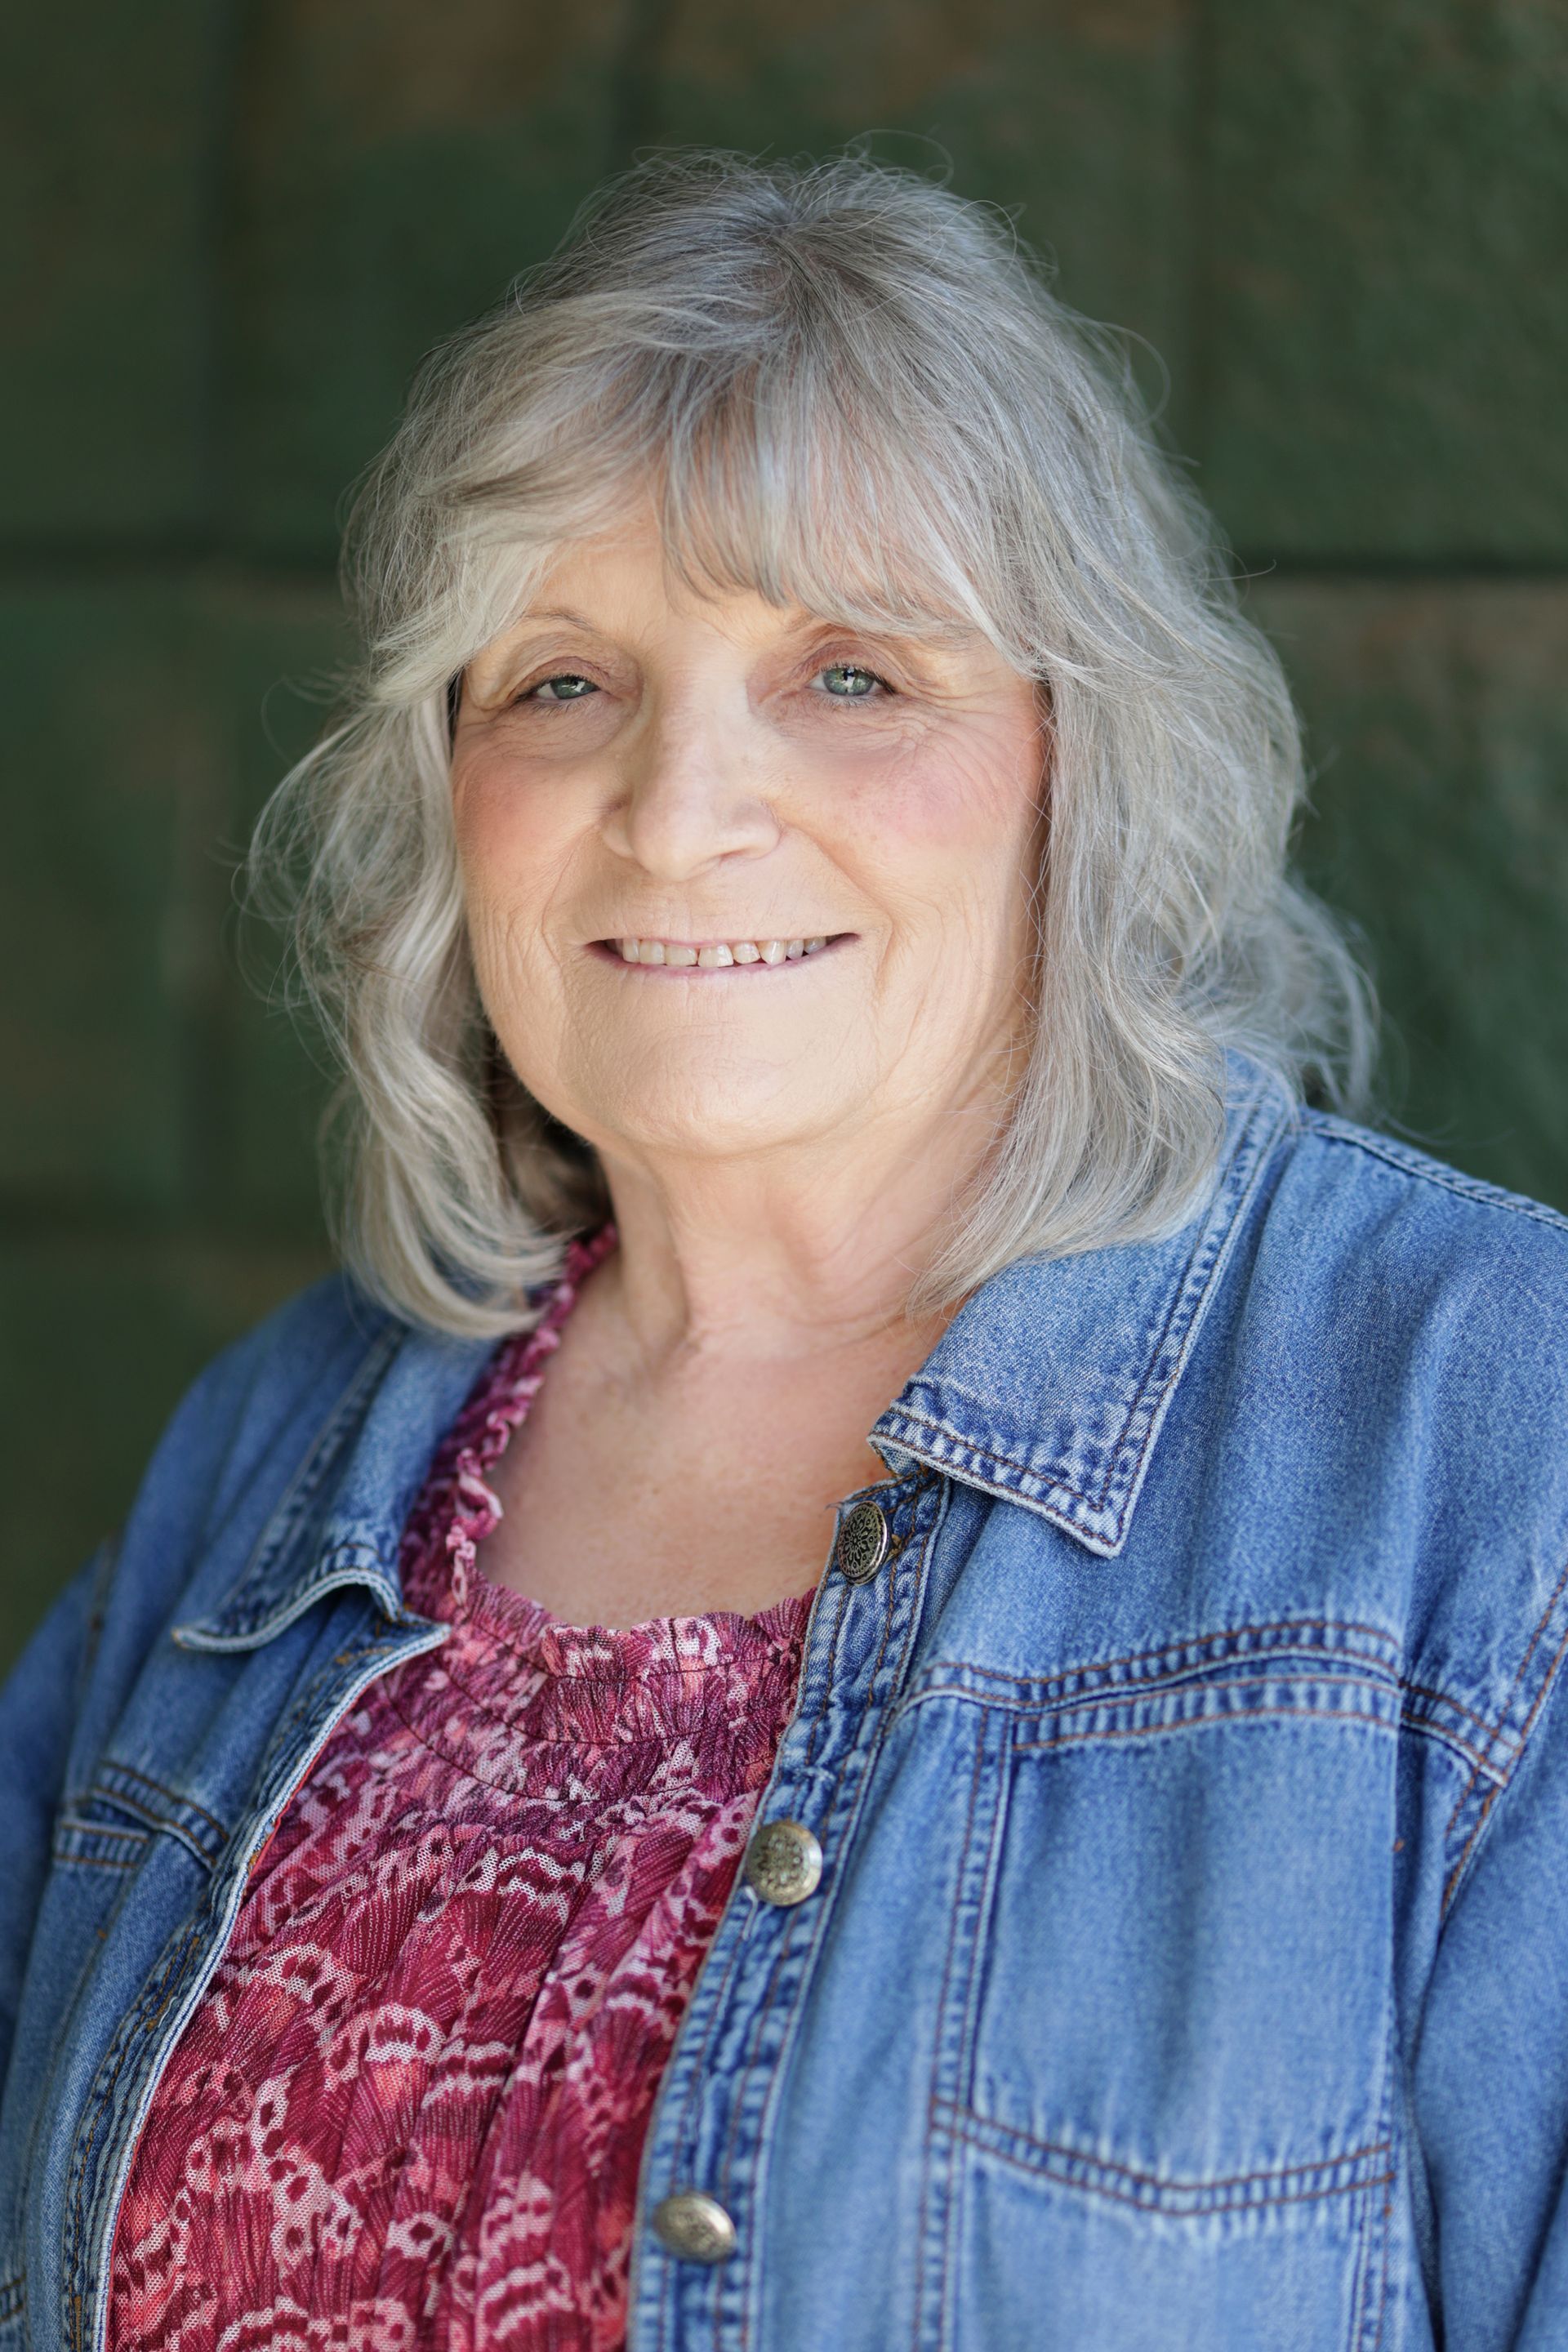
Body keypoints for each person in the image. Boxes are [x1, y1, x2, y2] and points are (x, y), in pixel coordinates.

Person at [2, 149, 1566, 2352]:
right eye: (561, 682)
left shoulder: (1487, 1445)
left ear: (1076, 758)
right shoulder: (276, 1454)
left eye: (848, 672)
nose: (676, 808)